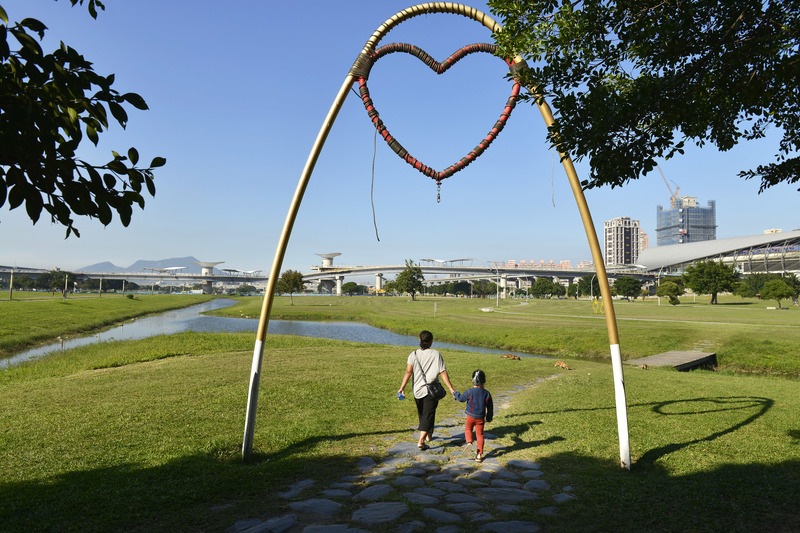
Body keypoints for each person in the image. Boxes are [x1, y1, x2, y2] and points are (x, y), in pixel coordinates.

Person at [398, 330, 456, 450]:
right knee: (428, 415)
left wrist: (402, 387)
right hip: (431, 390)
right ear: (431, 341)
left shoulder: (413, 355)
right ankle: (421, 442)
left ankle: (428, 436)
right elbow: (442, 372)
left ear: (419, 340)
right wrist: (451, 388)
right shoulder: (436, 354)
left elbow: (408, 372)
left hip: (417, 390)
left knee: (424, 414)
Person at [454, 369, 493, 462]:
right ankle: (479, 455)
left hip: (470, 417)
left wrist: (456, 393)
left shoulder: (469, 391)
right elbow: (490, 407)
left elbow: (461, 399)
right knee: (480, 435)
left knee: (468, 429)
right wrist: (489, 417)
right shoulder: (487, 393)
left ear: (472, 380)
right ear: (484, 381)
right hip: (480, 418)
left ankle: (469, 443)